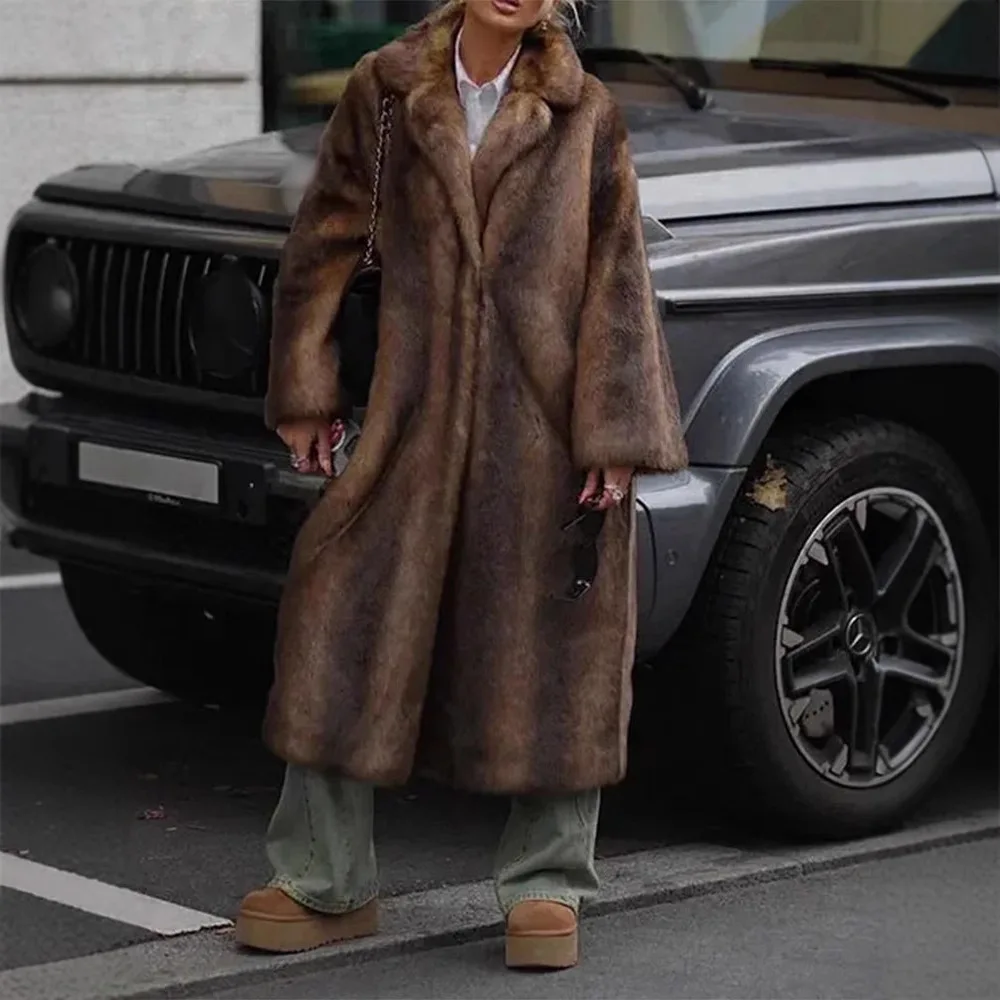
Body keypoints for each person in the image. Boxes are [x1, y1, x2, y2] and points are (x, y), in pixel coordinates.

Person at [235, 0, 687, 970]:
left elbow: (618, 272)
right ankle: (325, 878)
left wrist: (616, 433)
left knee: (559, 638)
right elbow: (324, 236)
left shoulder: (585, 109)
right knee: (337, 609)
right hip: (412, 412)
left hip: (545, 423)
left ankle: (546, 882)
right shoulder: (387, 88)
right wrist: (307, 391)